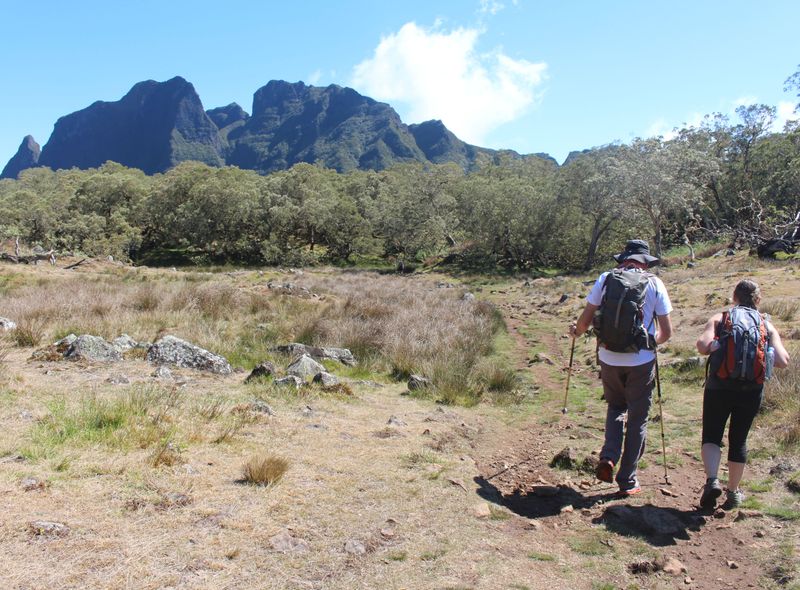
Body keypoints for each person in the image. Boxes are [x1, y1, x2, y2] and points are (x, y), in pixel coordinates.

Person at [570, 239, 673, 496]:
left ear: (624, 258)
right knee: (638, 418)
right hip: (641, 361)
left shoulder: (606, 279)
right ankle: (627, 479)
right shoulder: (655, 283)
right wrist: (651, 343)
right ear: (645, 262)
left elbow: (585, 320)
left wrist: (576, 332)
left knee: (616, 406)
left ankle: (608, 456)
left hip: (608, 356)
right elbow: (666, 332)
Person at [695, 279, 790, 509]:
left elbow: (702, 346)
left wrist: (717, 347)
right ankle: (733, 492)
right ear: (758, 299)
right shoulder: (766, 324)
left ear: (734, 297)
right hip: (751, 390)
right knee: (738, 440)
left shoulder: (721, 318)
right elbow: (783, 361)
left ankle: (712, 481)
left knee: (712, 435)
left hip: (719, 386)